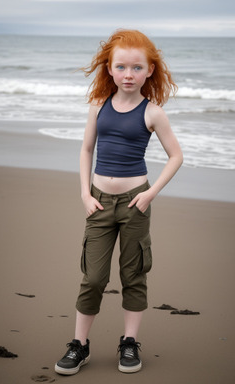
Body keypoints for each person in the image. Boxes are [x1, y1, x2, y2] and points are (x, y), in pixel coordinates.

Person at [55, 29, 183, 375]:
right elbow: (86, 150)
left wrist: (149, 193)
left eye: (137, 68)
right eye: (121, 67)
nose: (129, 74)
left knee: (133, 274)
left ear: (150, 71)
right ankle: (79, 345)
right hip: (98, 202)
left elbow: (176, 156)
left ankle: (129, 343)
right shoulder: (98, 107)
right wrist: (84, 193)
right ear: (109, 69)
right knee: (93, 277)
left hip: (134, 204)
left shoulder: (153, 113)